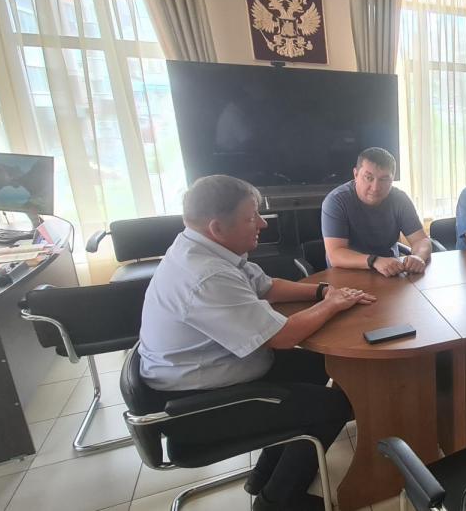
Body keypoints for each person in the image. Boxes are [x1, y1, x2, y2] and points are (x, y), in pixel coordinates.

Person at [137, 175, 376, 511]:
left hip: (210, 372)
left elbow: (266, 286)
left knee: (324, 366)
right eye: (252, 218)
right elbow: (282, 337)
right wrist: (333, 305)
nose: (263, 224)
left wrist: (324, 291)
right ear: (218, 227)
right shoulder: (206, 275)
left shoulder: (201, 247)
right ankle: (276, 502)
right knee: (334, 406)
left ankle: (264, 475)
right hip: (197, 407)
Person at [320, 147, 433, 277]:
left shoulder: (399, 199)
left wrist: (418, 257)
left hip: (391, 273)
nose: (375, 188)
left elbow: (421, 240)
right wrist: (374, 261)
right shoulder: (336, 201)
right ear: (356, 175)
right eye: (368, 178)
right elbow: (335, 254)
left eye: (384, 179)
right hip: (347, 275)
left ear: (392, 179)